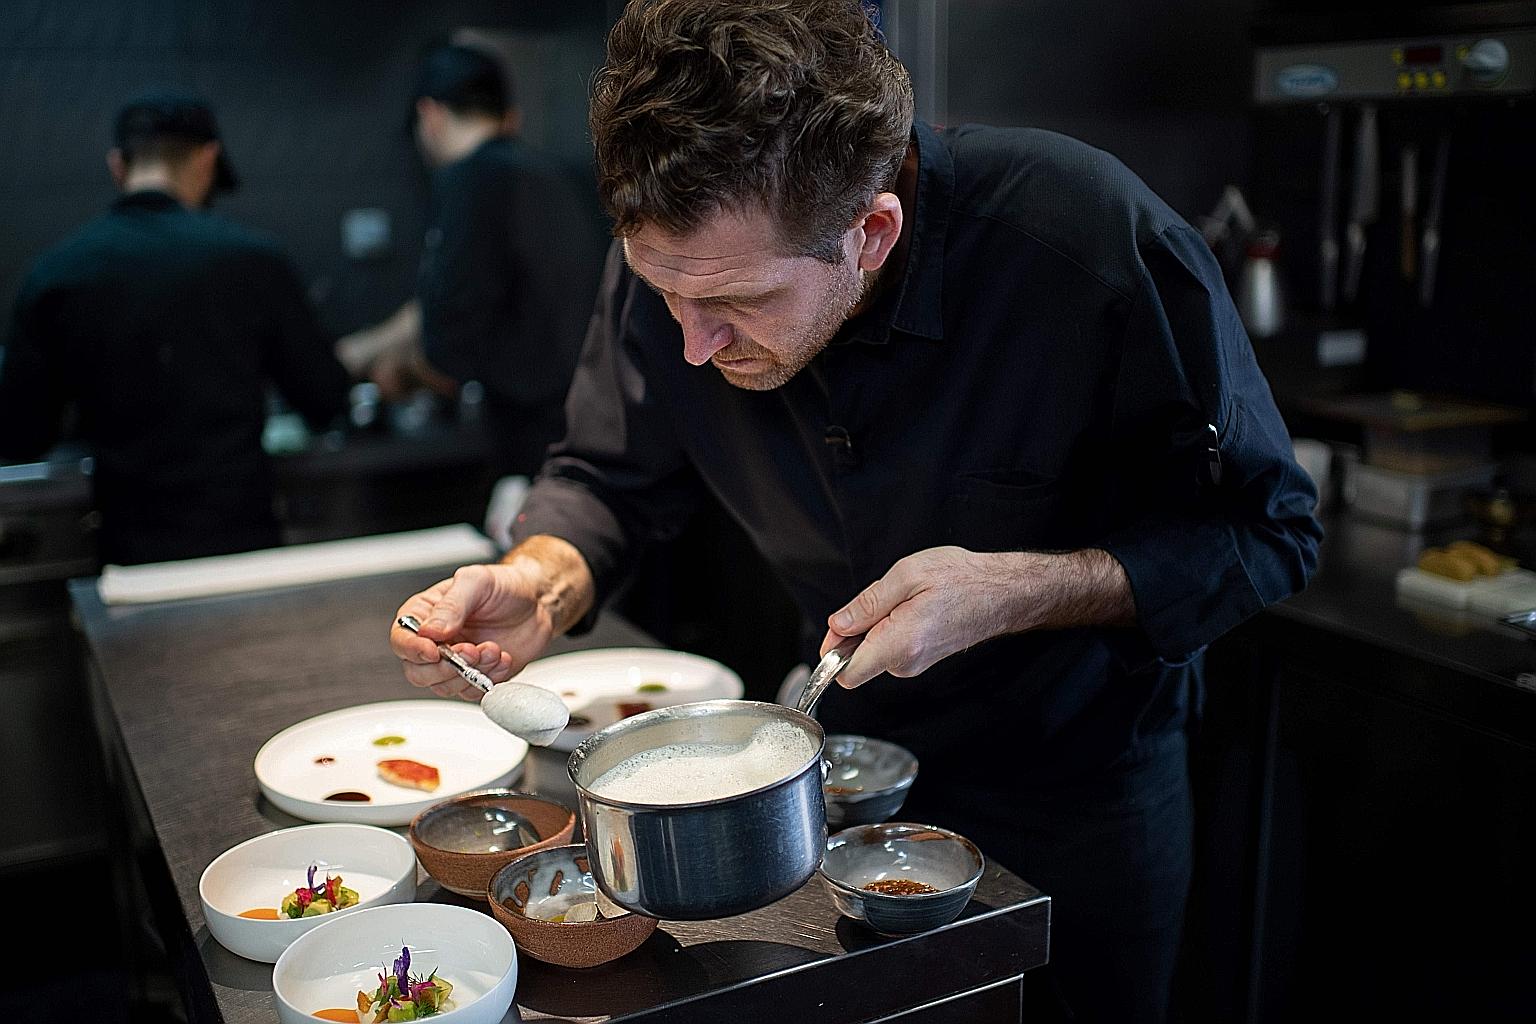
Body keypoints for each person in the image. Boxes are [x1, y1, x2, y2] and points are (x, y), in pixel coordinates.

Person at [387, 3, 1322, 1021]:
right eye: (665, 295)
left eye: (738, 304)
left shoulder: (1086, 243)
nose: (693, 344)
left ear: (870, 233)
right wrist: (539, 580)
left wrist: (1017, 589)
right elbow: (611, 473)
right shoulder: (682, 255)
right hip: (828, 787)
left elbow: (1270, 532)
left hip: (1076, 793)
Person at [0, 94, 351, 565]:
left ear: (118, 165)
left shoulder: (58, 274)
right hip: (240, 542)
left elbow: (22, 432)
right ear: (208, 159)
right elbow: (325, 397)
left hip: (128, 551)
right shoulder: (253, 261)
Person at [337, 43, 606, 480]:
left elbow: (450, 336)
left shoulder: (465, 180)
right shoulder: (562, 173)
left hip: (533, 429)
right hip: (599, 412)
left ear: (431, 115)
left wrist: (399, 374)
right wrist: (365, 348)